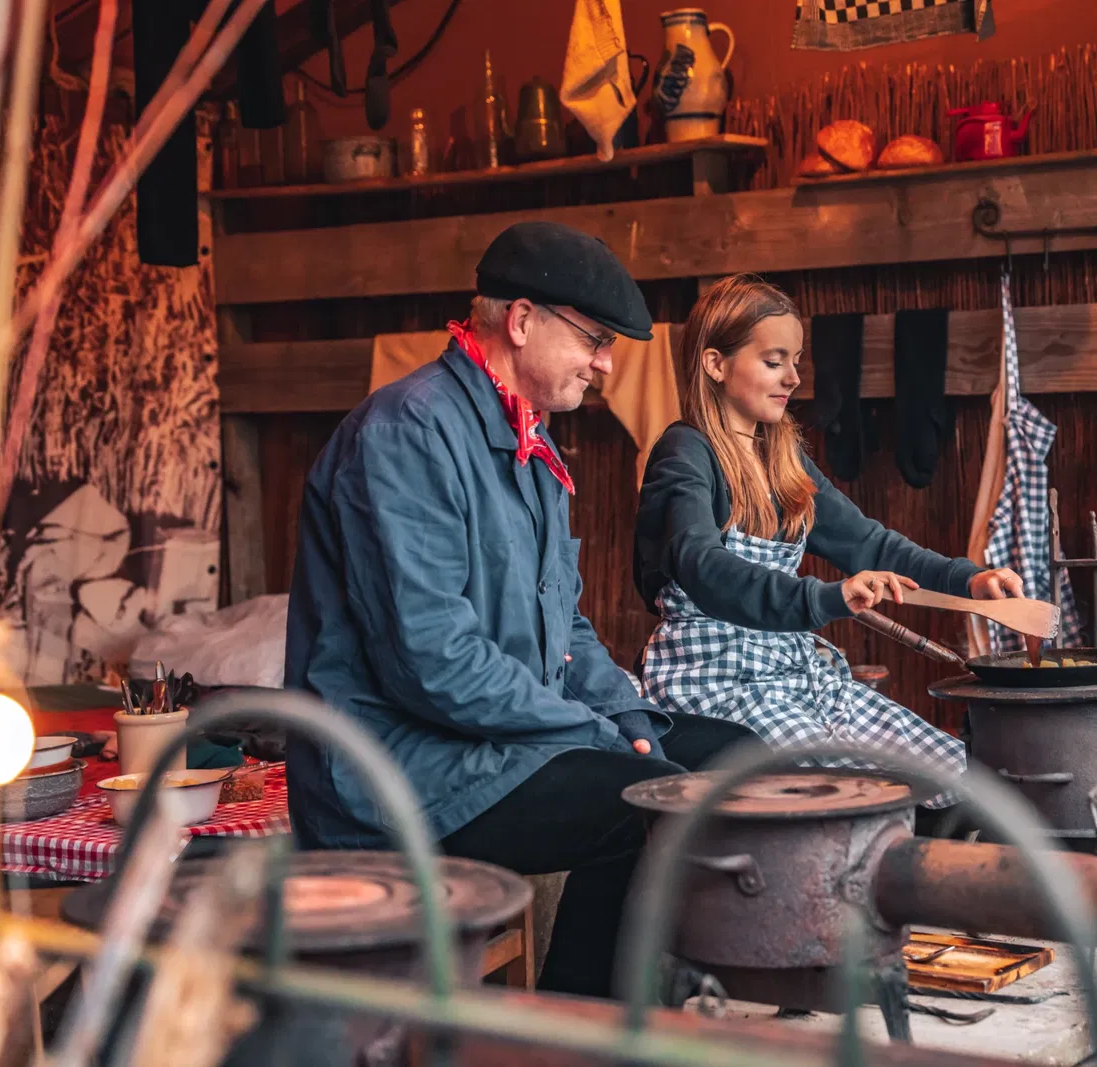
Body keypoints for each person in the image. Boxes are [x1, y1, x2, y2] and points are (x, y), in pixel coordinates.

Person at [284, 221, 758, 999]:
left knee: (731, 757)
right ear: (523, 320)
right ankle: (575, 1035)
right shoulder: (406, 433)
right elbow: (432, 661)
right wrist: (595, 736)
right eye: (595, 340)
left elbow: (563, 627)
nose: (606, 365)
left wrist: (628, 715)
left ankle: (642, 1015)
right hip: (400, 773)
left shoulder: (531, 444)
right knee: (645, 806)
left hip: (497, 743)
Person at [633, 274, 1022, 833]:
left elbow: (867, 543)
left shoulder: (781, 456)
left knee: (959, 782)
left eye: (796, 360)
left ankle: (920, 910)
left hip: (795, 675)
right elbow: (702, 567)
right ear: (715, 364)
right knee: (864, 797)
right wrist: (826, 597)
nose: (793, 377)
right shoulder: (686, 451)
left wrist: (969, 580)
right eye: (774, 361)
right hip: (715, 681)